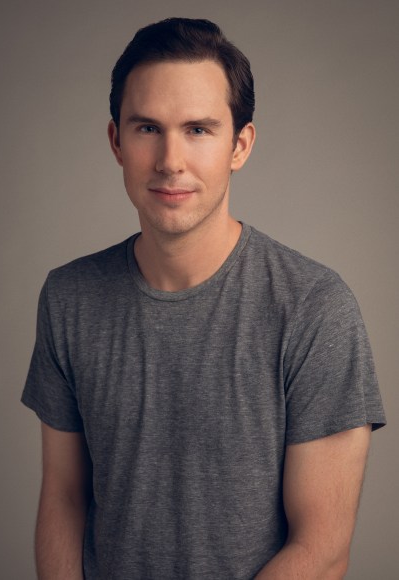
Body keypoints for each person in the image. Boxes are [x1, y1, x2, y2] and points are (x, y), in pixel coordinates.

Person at [22, 17, 386, 580]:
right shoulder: (69, 298)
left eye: (198, 129)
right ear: (116, 141)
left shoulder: (315, 308)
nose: (170, 160)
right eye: (148, 128)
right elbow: (64, 499)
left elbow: (322, 549)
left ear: (240, 145)